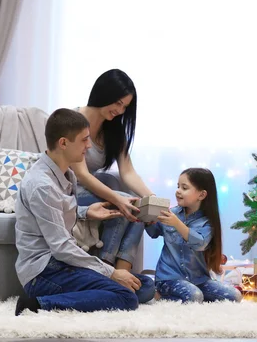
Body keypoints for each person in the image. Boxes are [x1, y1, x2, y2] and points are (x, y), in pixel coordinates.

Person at [14, 108, 154, 315]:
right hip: (44, 272)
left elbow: (53, 211)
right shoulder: (42, 185)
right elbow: (61, 248)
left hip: (60, 263)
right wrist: (112, 272)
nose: (88, 146)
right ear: (63, 143)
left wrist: (86, 211)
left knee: (145, 285)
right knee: (127, 297)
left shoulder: (66, 174)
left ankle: (87, 294)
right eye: (84, 140)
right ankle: (37, 304)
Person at [72, 69, 154, 271]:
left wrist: (152, 198)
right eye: (118, 103)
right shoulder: (73, 121)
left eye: (125, 106)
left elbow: (128, 172)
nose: (120, 110)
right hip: (67, 189)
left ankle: (123, 270)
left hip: (88, 189)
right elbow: (81, 174)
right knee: (126, 202)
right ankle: (106, 267)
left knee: (138, 206)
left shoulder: (113, 130)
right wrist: (118, 199)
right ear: (104, 93)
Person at [146, 168, 242, 303]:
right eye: (178, 186)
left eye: (184, 188)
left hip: (199, 279)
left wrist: (177, 224)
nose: (178, 191)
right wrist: (147, 220)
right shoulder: (171, 213)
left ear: (201, 195)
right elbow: (154, 232)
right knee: (194, 296)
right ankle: (160, 294)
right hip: (169, 278)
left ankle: (195, 295)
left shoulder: (207, 222)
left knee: (234, 296)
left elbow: (200, 243)